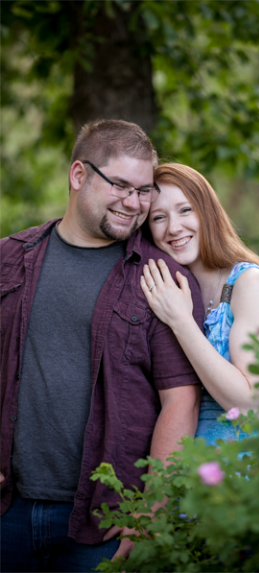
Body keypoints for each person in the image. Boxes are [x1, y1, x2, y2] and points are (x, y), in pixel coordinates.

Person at [0, 120, 204, 571]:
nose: (134, 203)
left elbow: (181, 403)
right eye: (120, 185)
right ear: (78, 175)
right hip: (6, 512)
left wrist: (152, 507)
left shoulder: (162, 278)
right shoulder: (8, 259)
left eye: (144, 190)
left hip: (106, 522)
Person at [138, 163, 259, 446]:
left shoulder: (249, 284)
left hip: (251, 473)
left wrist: (181, 322)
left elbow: (252, 403)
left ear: (207, 212)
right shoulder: (172, 290)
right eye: (159, 217)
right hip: (190, 476)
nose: (174, 227)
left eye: (185, 210)